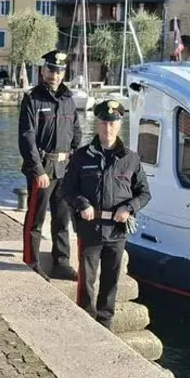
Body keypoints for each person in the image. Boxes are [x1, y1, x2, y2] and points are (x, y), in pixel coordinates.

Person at [62, 99, 151, 330]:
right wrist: (82, 204)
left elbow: (144, 194)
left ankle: (105, 321)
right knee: (87, 280)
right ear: (97, 124)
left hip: (117, 230)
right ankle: (85, 318)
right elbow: (68, 189)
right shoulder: (82, 156)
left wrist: (129, 207)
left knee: (111, 280)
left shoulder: (131, 159)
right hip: (90, 228)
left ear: (119, 125)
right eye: (103, 123)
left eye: (112, 123)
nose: (108, 128)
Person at [18, 49, 82, 279]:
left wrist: (75, 160)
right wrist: (37, 170)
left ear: (64, 73)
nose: (55, 74)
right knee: (36, 218)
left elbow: (76, 131)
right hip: (43, 169)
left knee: (62, 218)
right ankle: (31, 261)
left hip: (65, 169)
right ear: (43, 70)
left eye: (59, 71)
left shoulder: (68, 99)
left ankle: (61, 262)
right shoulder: (32, 99)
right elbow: (27, 137)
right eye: (51, 69)